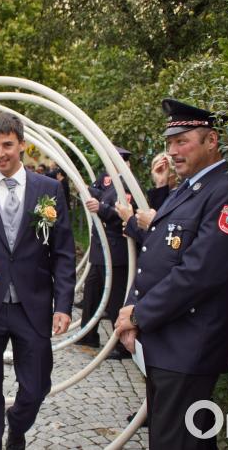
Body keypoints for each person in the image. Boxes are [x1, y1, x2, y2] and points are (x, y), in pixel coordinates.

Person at [114, 99, 228, 450]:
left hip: (190, 346)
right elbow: (157, 250)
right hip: (169, 342)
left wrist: (139, 314)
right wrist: (133, 314)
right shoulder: (189, 188)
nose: (173, 151)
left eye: (183, 141)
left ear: (212, 140)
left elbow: (201, 271)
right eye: (169, 142)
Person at [0, 112, 76, 450]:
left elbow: (63, 252)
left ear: (22, 144)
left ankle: (17, 425)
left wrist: (63, 305)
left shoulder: (48, 189)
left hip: (32, 305)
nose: (0, 153)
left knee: (36, 388)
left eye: (7, 145)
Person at [77, 147, 133, 360]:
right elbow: (101, 195)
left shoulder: (125, 183)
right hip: (103, 249)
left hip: (115, 250)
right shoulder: (113, 183)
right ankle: (88, 333)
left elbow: (122, 215)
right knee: (92, 291)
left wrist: (100, 208)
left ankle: (121, 346)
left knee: (116, 299)